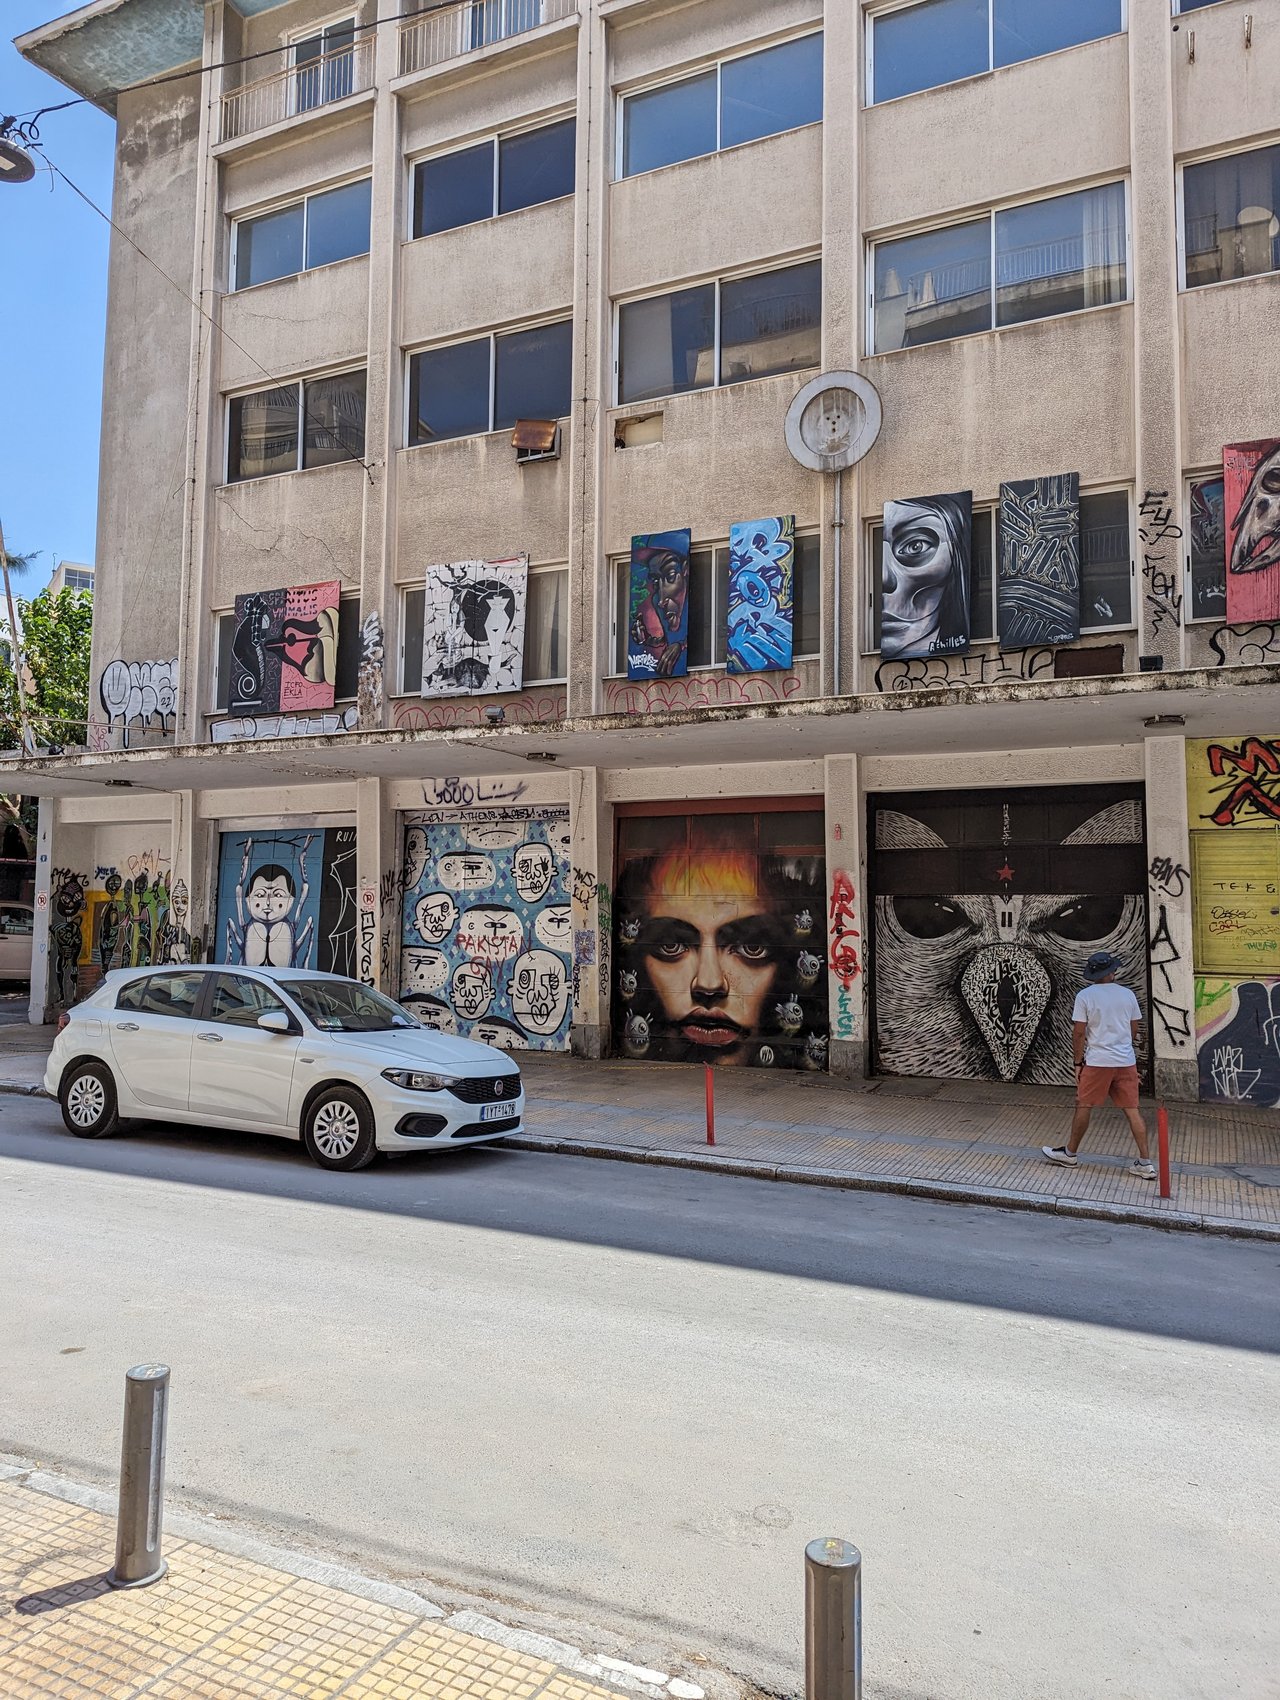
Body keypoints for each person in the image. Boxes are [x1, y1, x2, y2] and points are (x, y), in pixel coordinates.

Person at [1043, 950, 1155, 1179]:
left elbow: (1079, 1033)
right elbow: (1134, 1028)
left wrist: (1077, 1063)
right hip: (1125, 1061)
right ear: (1112, 972)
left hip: (1098, 1062)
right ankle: (1145, 1163)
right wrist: (1123, 1048)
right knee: (1132, 1110)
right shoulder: (1128, 995)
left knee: (1084, 1105)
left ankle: (1070, 1153)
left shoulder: (1085, 996)